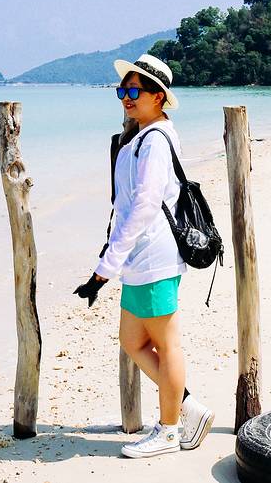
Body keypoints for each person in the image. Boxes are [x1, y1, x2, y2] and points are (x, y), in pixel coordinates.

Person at [74, 53, 214, 458]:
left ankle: (169, 430)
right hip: (138, 259)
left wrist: (105, 267)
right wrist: (111, 262)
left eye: (134, 91)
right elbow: (126, 205)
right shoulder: (140, 137)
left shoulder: (154, 140)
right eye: (123, 90)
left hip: (154, 257)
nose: (126, 98)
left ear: (158, 97)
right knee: (132, 340)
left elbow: (146, 205)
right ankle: (188, 407)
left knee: (167, 345)